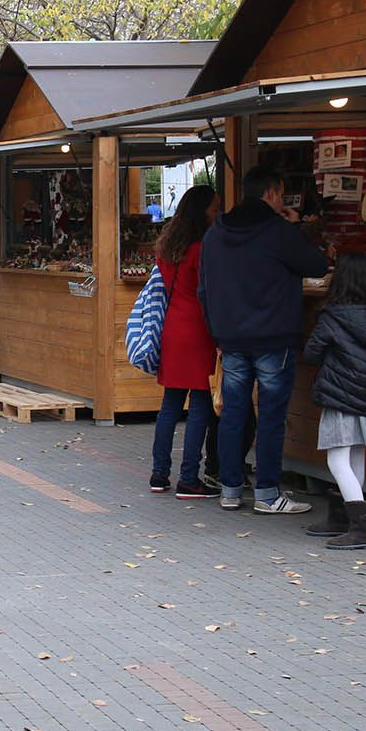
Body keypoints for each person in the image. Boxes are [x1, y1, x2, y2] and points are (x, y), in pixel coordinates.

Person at [199, 165, 329, 514]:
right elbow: (317, 265)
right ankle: (268, 494)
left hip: (231, 338)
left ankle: (229, 488)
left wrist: (217, 331)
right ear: (272, 193)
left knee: (233, 413)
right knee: (271, 415)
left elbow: (203, 289)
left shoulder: (215, 233)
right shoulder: (278, 232)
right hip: (274, 336)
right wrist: (295, 226)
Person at [303, 253, 366, 549]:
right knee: (356, 454)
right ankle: (343, 517)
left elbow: (311, 353)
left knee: (337, 459)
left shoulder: (332, 316)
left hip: (339, 392)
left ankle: (362, 526)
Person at [149, 185, 222, 499]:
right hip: (199, 330)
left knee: (170, 406)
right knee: (201, 407)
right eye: (214, 208)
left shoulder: (167, 248)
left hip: (173, 327)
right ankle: (189, 477)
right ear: (202, 211)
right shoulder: (204, 248)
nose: (218, 214)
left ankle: (159, 473)